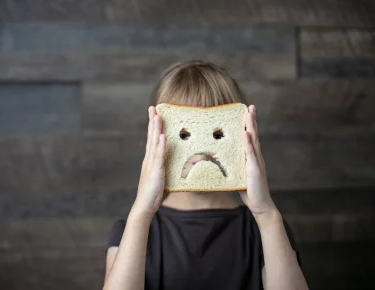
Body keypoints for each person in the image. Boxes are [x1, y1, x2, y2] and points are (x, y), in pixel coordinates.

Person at [102, 60, 308, 290]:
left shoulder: (267, 228)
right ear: (153, 140)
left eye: (218, 134)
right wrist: (141, 213)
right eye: (184, 133)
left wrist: (267, 214)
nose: (200, 149)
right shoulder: (131, 228)